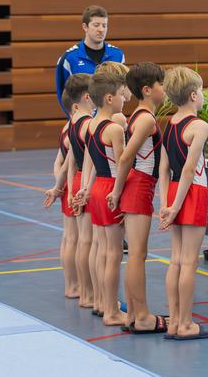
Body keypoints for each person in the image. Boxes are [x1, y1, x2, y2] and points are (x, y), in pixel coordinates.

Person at [106, 62, 168, 334]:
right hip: (139, 186)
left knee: (135, 255)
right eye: (161, 84)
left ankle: (133, 312)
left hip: (138, 186)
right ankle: (142, 315)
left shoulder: (139, 116)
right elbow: (127, 157)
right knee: (137, 255)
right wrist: (117, 191)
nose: (164, 89)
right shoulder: (144, 119)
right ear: (147, 89)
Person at [159, 66, 208, 340]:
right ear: (194, 95)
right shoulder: (199, 126)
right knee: (189, 262)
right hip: (191, 193)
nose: (203, 96)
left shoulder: (169, 124)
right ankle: (186, 324)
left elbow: (163, 169)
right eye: (202, 91)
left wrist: (166, 204)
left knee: (176, 260)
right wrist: (179, 205)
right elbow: (189, 169)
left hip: (172, 192)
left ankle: (173, 322)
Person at [77, 72, 128, 326]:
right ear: (109, 98)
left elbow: (94, 161)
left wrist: (86, 187)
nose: (123, 99)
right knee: (114, 254)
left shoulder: (91, 125)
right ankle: (111, 311)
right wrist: (120, 192)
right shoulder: (114, 128)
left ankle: (104, 303)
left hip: (97, 187)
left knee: (104, 250)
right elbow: (122, 164)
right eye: (121, 95)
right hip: (111, 188)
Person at [55, 5, 125, 115]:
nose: (101, 30)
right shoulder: (69, 58)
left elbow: (122, 90)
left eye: (104, 25)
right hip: (83, 123)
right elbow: (62, 94)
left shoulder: (118, 55)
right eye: (96, 25)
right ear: (85, 27)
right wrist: (75, 120)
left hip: (110, 122)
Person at [43, 90, 79, 299]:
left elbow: (58, 162)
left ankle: (71, 285)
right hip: (72, 186)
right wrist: (60, 187)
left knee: (69, 237)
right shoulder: (76, 127)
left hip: (67, 186)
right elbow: (67, 163)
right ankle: (75, 286)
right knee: (76, 239)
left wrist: (60, 185)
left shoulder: (66, 126)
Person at [64, 74, 95, 309]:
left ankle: (84, 292)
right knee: (88, 242)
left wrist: (69, 189)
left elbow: (71, 162)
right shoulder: (87, 124)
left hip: (78, 183)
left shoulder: (73, 123)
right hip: (88, 183)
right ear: (87, 97)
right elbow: (88, 161)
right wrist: (84, 188)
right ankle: (89, 293)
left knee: (81, 240)